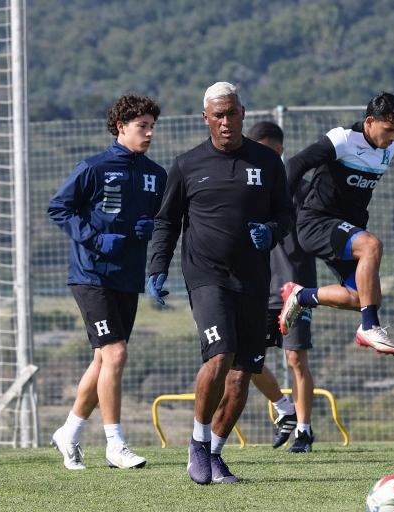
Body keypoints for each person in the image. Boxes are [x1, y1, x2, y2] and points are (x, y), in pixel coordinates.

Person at [148, 82, 294, 484]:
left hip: (253, 279)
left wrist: (271, 230)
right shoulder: (186, 164)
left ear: (242, 112)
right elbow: (167, 220)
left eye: (232, 113)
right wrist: (157, 267)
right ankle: (196, 444)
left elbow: (286, 213)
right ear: (206, 118)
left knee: (242, 371)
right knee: (219, 355)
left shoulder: (266, 161)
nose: (226, 121)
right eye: (218, 115)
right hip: (206, 275)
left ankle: (214, 452)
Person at [47, 94, 166, 470]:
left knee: (103, 359)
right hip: (91, 275)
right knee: (115, 354)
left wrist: (151, 227)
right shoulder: (94, 168)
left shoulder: (156, 174)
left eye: (151, 126)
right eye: (141, 126)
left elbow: (161, 220)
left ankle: (69, 431)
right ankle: (115, 445)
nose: (148, 133)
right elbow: (58, 208)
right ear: (121, 128)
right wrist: (95, 238)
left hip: (126, 278)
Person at [280, 92, 394, 357]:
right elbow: (297, 163)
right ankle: (369, 327)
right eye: (389, 129)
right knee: (371, 246)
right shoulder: (344, 139)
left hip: (345, 229)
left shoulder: (389, 148)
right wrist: (279, 208)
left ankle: (301, 296)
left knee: (367, 298)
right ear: (370, 121)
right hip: (317, 222)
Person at [246, 121, 318, 453]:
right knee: (246, 360)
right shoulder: (247, 187)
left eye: (258, 150)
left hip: (294, 290)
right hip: (257, 287)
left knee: (295, 360)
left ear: (276, 152)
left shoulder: (302, 192)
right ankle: (284, 408)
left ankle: (303, 431)